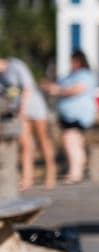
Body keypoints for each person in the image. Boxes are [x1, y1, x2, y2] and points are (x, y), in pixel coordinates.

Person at [0, 56, 58, 190]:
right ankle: (27, 178)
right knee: (25, 144)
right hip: (18, 111)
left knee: (42, 139)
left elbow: (27, 87)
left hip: (34, 107)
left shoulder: (16, 65)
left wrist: (22, 107)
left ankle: (50, 172)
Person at [40, 50, 97, 184]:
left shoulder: (84, 75)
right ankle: (78, 171)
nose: (71, 63)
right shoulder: (70, 75)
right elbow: (60, 85)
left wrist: (59, 90)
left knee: (71, 141)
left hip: (77, 114)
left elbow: (77, 89)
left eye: (74, 61)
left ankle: (75, 173)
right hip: (67, 114)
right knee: (76, 142)